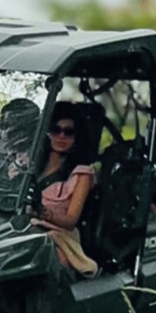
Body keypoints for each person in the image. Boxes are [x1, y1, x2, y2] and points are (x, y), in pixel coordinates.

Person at [30, 102, 98, 278]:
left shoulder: (82, 173)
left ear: (77, 137)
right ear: (46, 131)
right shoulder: (30, 165)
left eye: (68, 132)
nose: (61, 136)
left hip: (59, 235)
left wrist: (43, 213)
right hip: (23, 227)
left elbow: (71, 220)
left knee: (49, 259)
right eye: (55, 130)